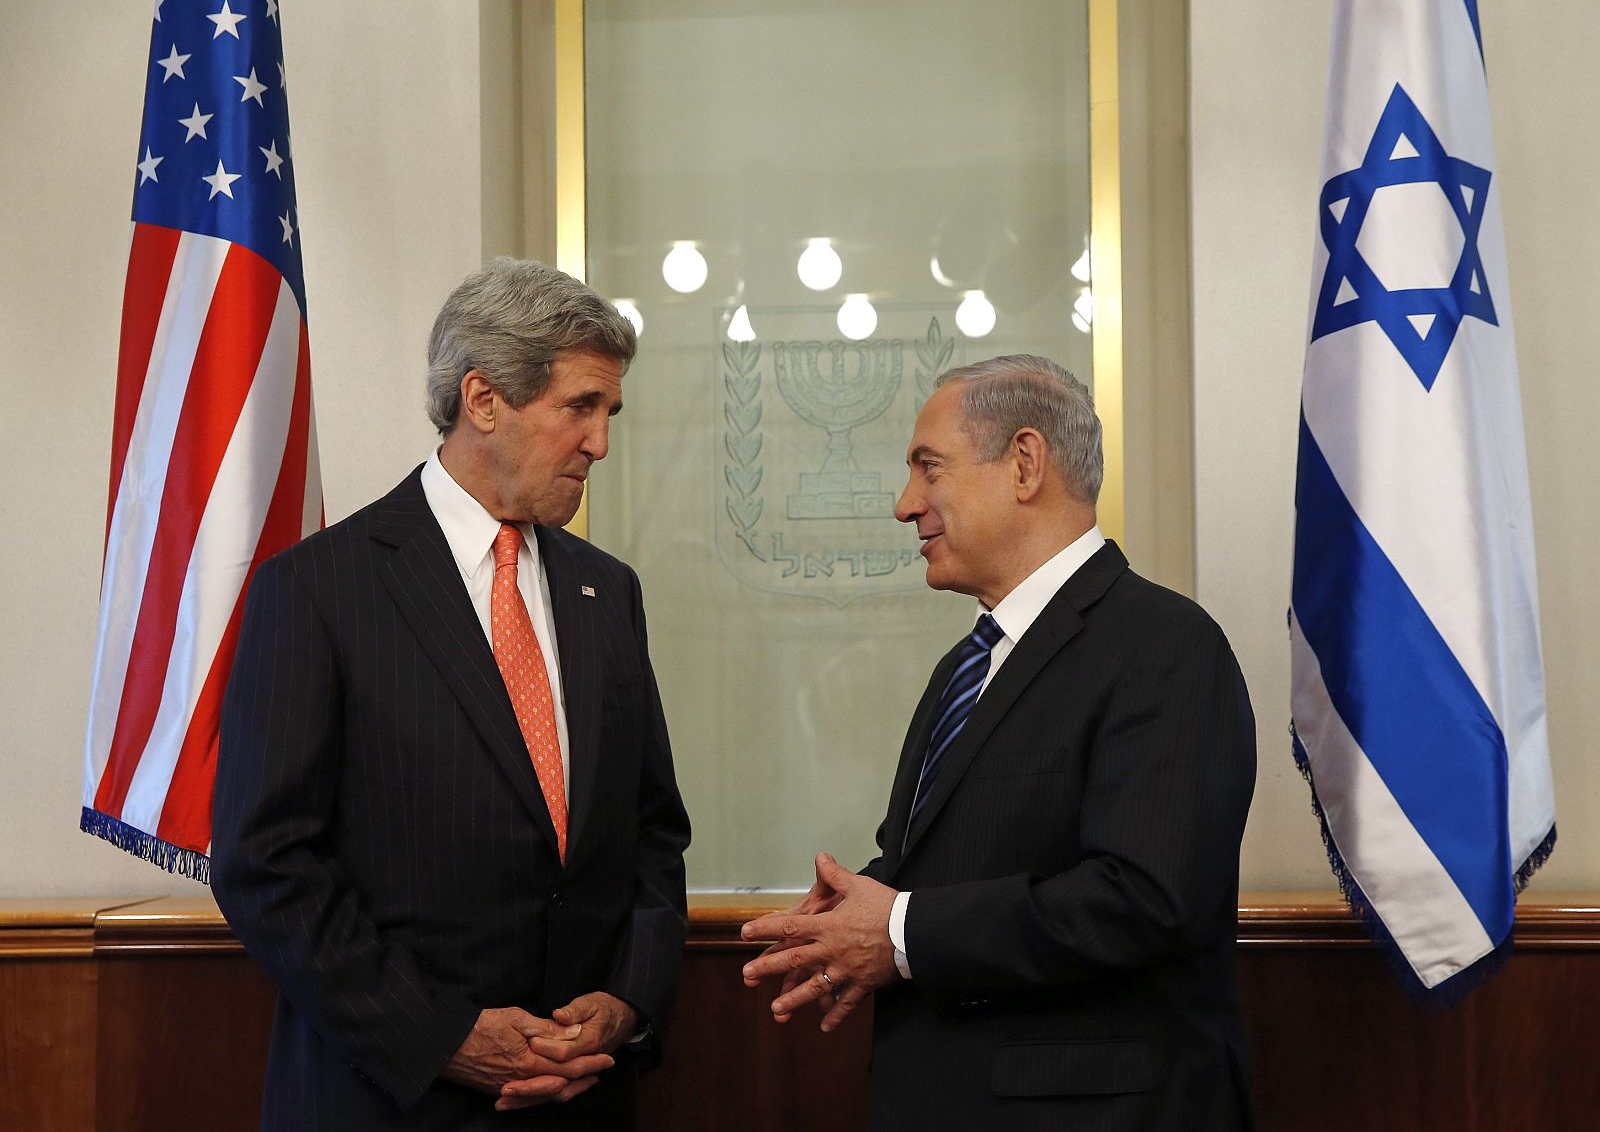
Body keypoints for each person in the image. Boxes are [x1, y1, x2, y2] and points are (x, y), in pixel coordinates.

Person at [212, 258, 690, 1130]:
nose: (600, 443)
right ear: (483, 399)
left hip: (583, 1095)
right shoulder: (319, 590)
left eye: (609, 414)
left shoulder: (607, 590)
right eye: (580, 407)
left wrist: (629, 999)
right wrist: (441, 1036)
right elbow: (266, 864)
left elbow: (652, 831)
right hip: (389, 1098)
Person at [742, 355, 1257, 1131]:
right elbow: (963, 864)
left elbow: (1146, 900)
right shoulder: (967, 664)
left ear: (1024, 464)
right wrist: (852, 916)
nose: (905, 504)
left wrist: (901, 930)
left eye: (929, 468)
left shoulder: (1167, 646)